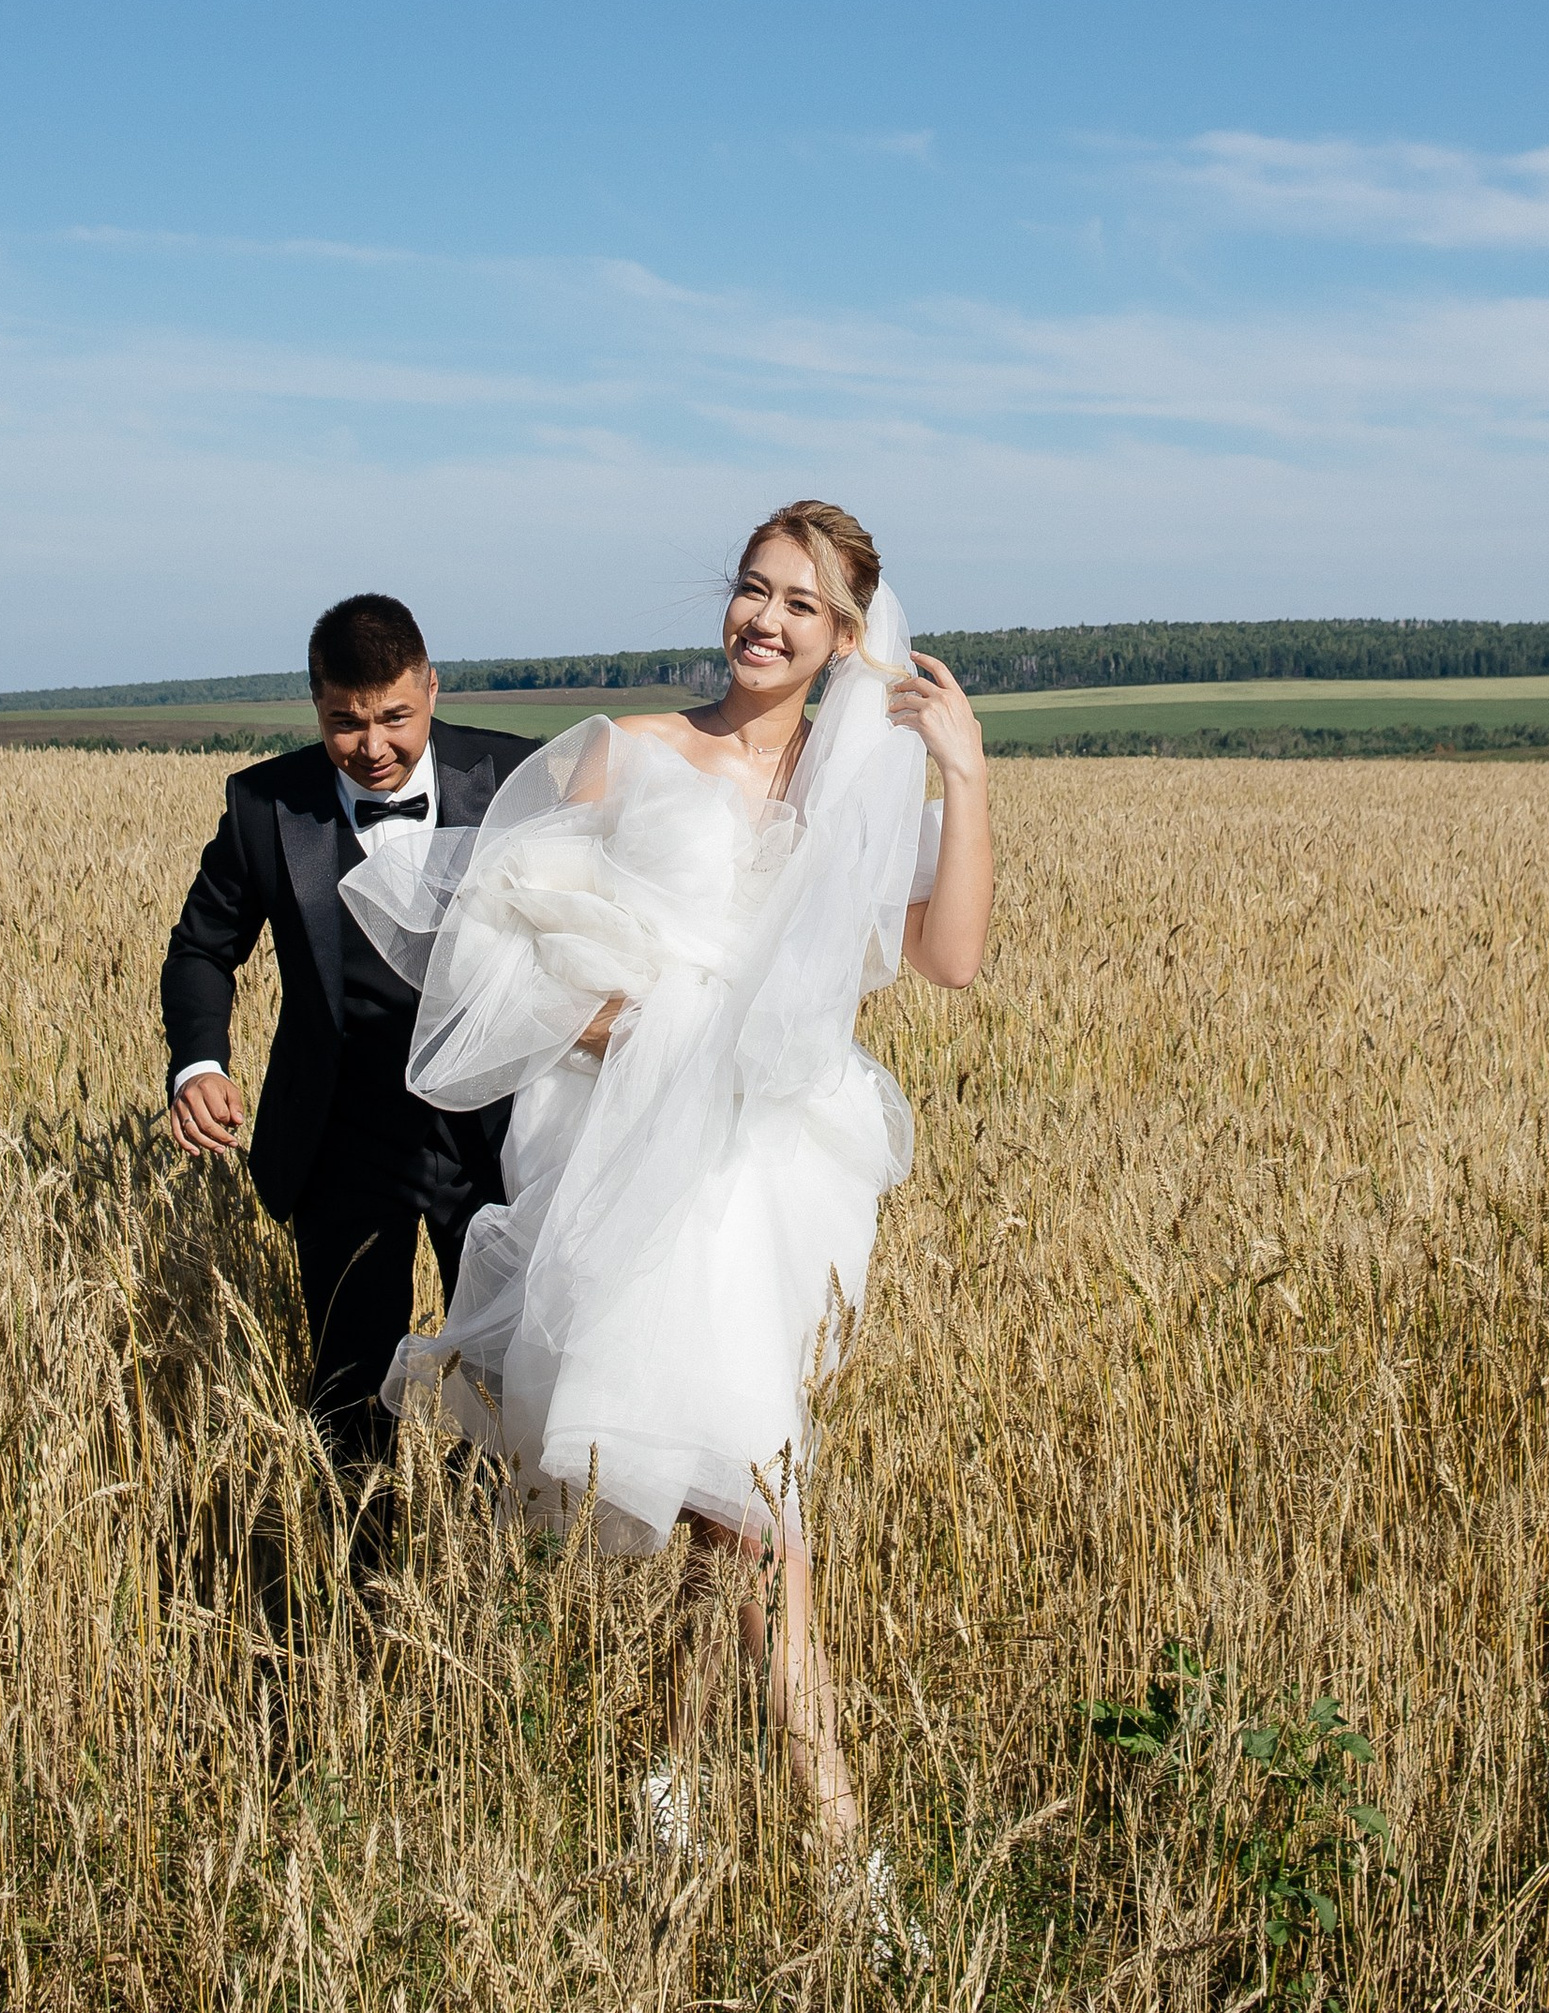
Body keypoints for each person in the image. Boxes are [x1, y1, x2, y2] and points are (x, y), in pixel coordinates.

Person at [343, 501, 993, 1862]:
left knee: (733, 1516)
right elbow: (492, 949)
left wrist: (966, 777)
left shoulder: (853, 791)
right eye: (753, 589)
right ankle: (842, 1854)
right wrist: (624, 1032)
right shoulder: (628, 753)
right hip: (639, 1172)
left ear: (845, 638)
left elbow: (949, 960)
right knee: (761, 1516)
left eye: (800, 604)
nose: (763, 619)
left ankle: (671, 1786)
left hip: (774, 1180)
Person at [159, 593, 540, 1465]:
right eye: (346, 723)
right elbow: (202, 950)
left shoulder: (517, 779)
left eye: (395, 718)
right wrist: (198, 1064)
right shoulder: (263, 805)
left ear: (432, 689)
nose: (372, 748)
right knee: (350, 1394)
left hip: (492, 1134)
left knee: (508, 1383)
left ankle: (484, 1549)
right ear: (317, 704)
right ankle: (360, 1552)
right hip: (342, 1139)